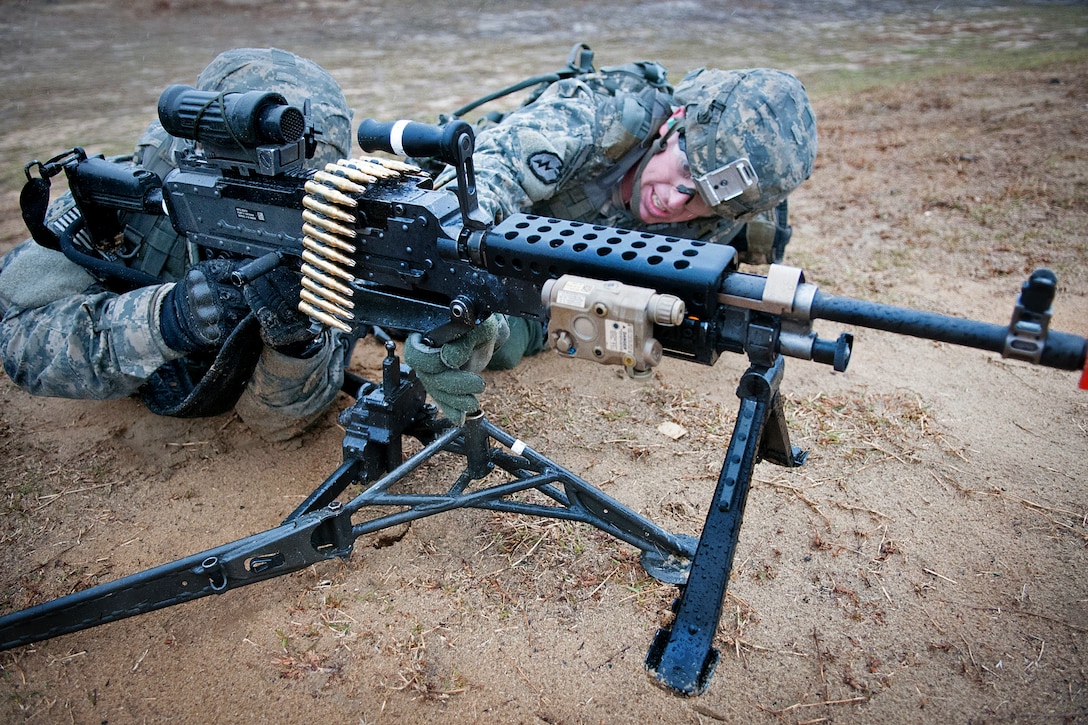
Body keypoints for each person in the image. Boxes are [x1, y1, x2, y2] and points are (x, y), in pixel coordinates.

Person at [407, 60, 818, 421]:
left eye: (704, 201)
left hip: (552, 292)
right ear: (674, 123)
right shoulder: (594, 120)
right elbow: (486, 182)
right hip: (481, 238)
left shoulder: (725, 224)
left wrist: (492, 325)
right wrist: (454, 294)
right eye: (686, 170)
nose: (675, 200)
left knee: (507, 344)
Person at [0, 48, 354, 441]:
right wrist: (168, 318)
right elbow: (21, 346)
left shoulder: (323, 237)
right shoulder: (130, 195)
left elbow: (274, 420)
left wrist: (296, 346)